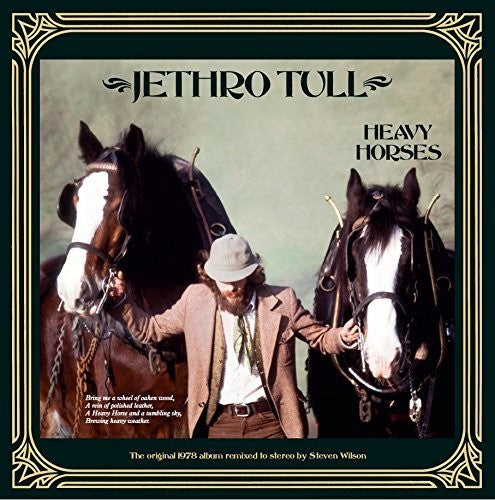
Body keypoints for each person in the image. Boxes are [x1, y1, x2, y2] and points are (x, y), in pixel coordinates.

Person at [108, 234, 358, 438]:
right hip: (218, 425)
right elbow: (151, 329)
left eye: (237, 279)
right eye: (223, 279)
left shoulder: (283, 300)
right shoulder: (195, 299)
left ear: (251, 274)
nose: (230, 287)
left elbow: (319, 337)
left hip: (271, 424)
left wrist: (342, 337)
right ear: (211, 276)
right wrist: (121, 302)